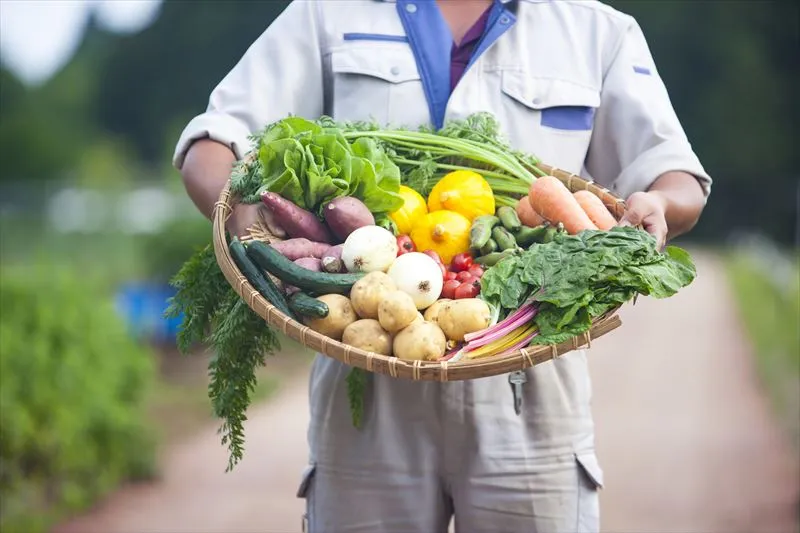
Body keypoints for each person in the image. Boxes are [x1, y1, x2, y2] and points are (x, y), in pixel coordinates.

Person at [173, 1, 712, 531]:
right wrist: (251, 221)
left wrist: (660, 204)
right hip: (369, 361)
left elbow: (675, 174)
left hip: (531, 376)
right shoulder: (328, 13)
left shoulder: (597, 30)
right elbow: (211, 143)